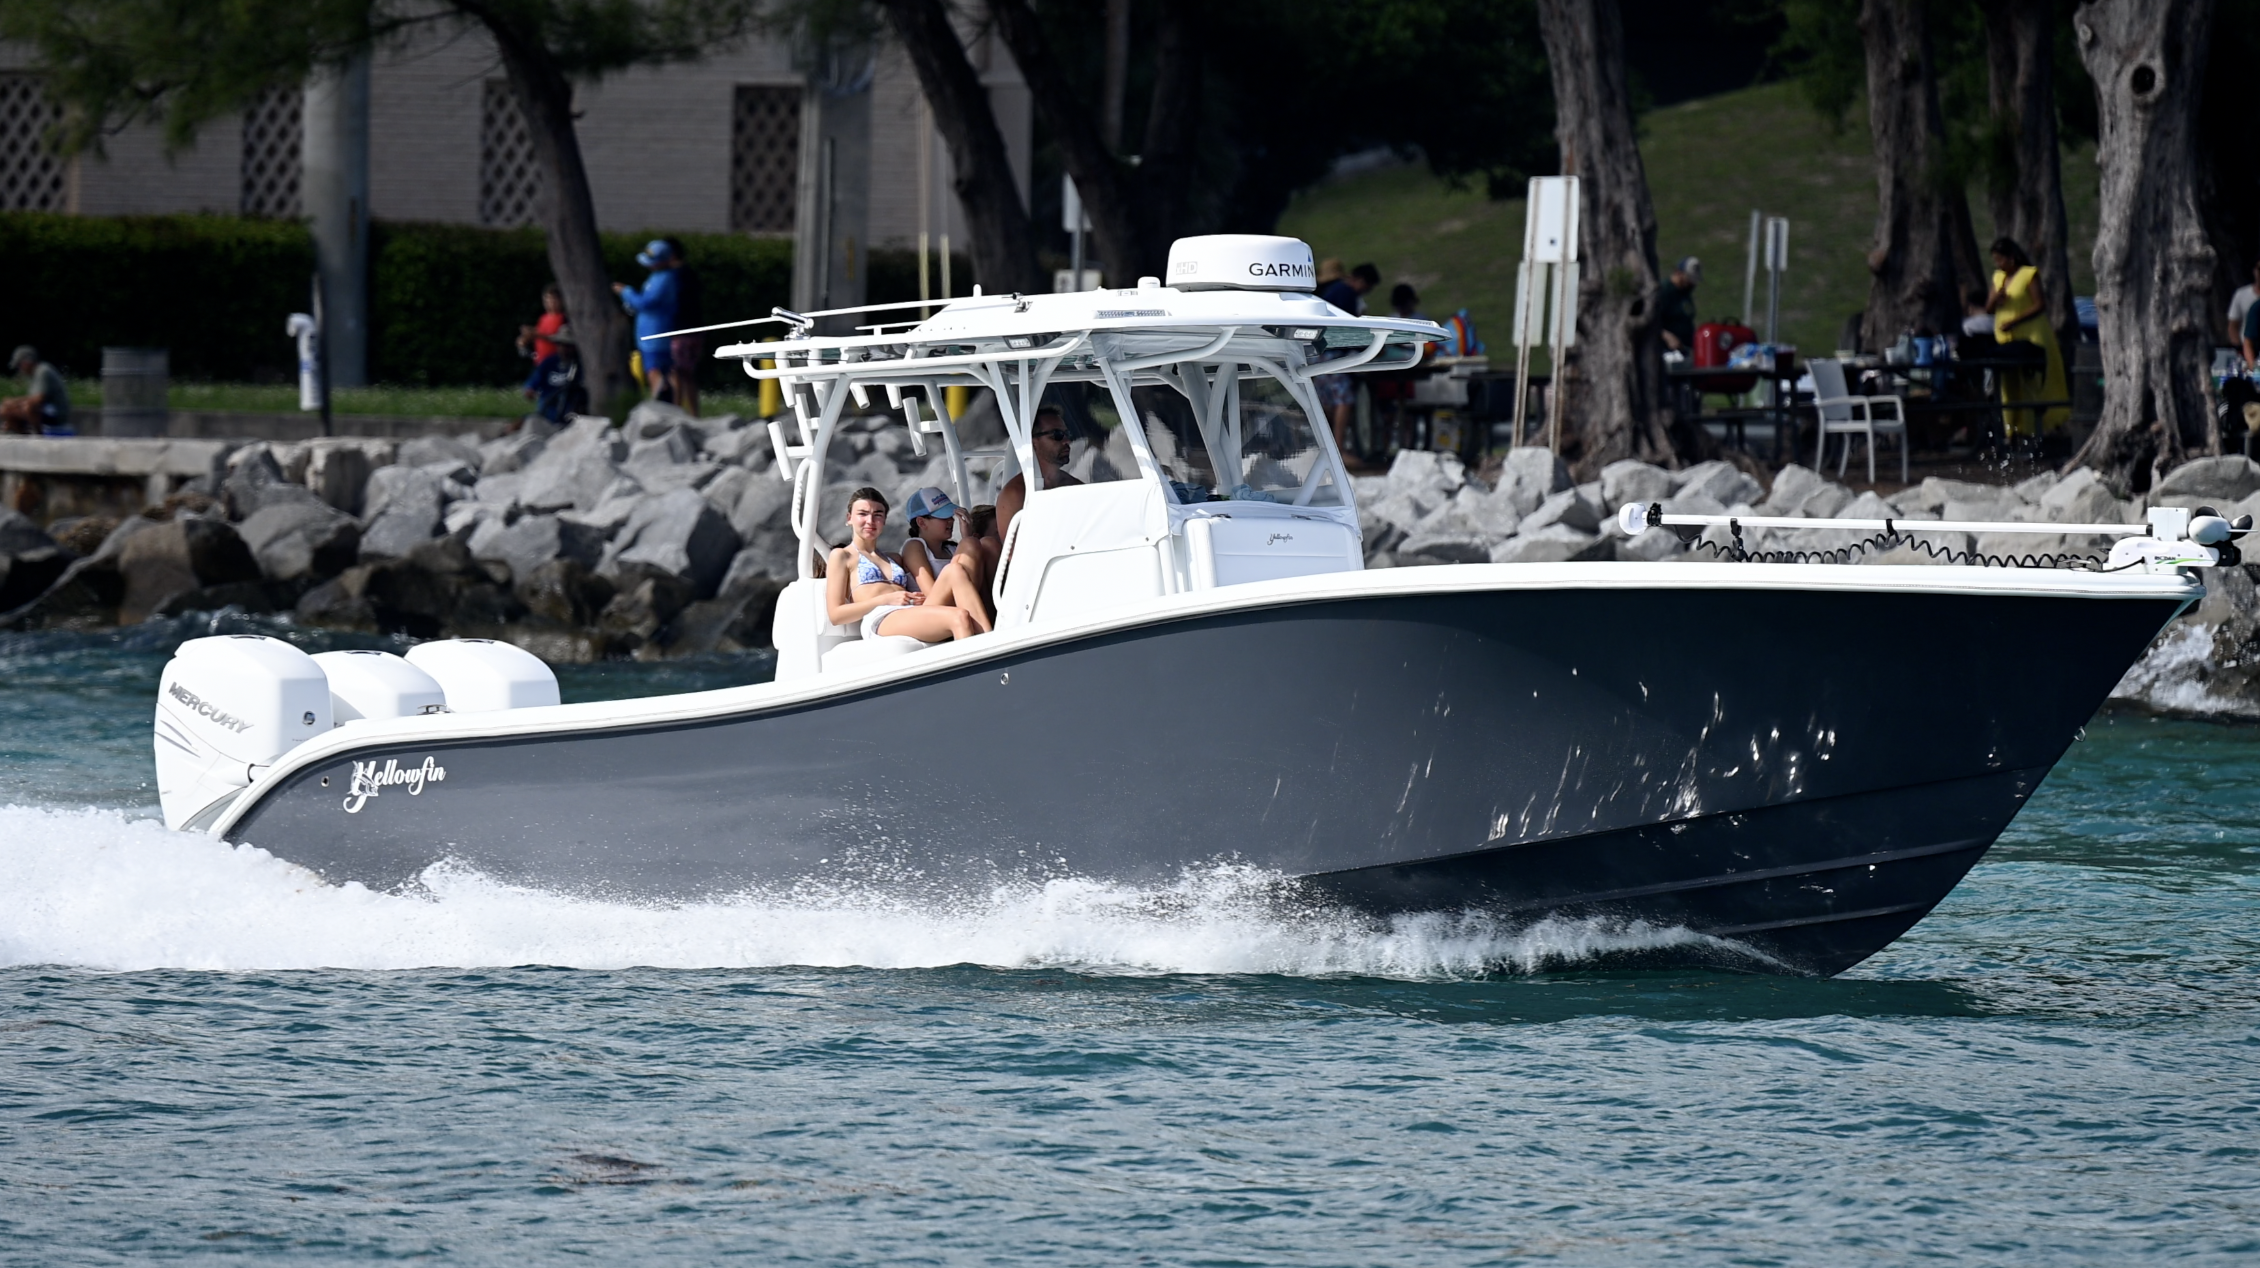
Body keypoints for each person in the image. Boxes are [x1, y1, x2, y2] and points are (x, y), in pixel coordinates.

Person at [823, 487, 990, 644]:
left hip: (911, 611)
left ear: (884, 520)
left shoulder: (894, 558)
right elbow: (836, 615)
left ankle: (990, 641)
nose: (870, 520)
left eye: (878, 514)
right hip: (881, 617)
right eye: (863, 514)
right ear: (849, 518)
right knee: (959, 617)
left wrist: (966, 538)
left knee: (954, 570)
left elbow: (933, 570)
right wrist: (885, 599)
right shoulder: (842, 556)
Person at [1985, 237, 2069, 437]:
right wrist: (1996, 299)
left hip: (2030, 334)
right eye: (1995, 260)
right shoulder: (1998, 278)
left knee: (2030, 383)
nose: (1998, 264)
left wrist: (2016, 320)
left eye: (2001, 260)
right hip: (2006, 338)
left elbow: (2039, 304)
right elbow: (1988, 308)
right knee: (2008, 385)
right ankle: (2011, 431)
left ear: (2011, 258)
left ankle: (2031, 429)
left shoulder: (2028, 274)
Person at [992, 404, 1083, 546]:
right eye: (1057, 435)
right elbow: (1014, 553)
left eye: (1067, 434)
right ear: (1033, 443)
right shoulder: (1015, 494)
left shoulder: (1075, 487)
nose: (1067, 441)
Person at [1314, 260, 1376, 458]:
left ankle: (1326, 446)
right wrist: (1370, 346)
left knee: (1326, 401)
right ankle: (1338, 449)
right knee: (1344, 400)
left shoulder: (1332, 292)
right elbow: (1350, 328)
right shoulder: (1346, 293)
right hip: (1332, 353)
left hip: (1320, 351)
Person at [900, 484, 990, 615]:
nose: (951, 521)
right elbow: (931, 593)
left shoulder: (952, 549)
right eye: (943, 517)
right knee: (970, 544)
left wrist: (967, 536)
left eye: (950, 516)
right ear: (921, 522)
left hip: (957, 607)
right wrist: (968, 541)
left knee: (987, 544)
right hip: (933, 613)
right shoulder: (914, 546)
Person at [613, 239, 681, 403]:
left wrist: (626, 292)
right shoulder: (658, 277)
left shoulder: (663, 279)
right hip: (652, 333)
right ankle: (667, 401)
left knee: (654, 370)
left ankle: (660, 402)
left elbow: (645, 303)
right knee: (661, 370)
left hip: (655, 334)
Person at [665, 237, 703, 416]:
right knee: (687, 373)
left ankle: (678, 410)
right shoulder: (690, 273)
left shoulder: (673, 276)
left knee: (677, 373)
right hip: (695, 329)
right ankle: (693, 412)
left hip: (680, 330)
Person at [1, 346, 70, 435]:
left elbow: (38, 399)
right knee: (7, 410)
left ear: (27, 362)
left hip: (56, 412)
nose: (20, 370)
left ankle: (39, 435)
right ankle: (23, 434)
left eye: (19, 365)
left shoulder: (43, 371)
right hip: (45, 409)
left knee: (29, 407)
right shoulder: (33, 375)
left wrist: (14, 402)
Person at [1657, 257, 1700, 352]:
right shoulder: (1664, 291)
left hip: (1686, 347)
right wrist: (1667, 336)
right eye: (1688, 278)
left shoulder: (1685, 292)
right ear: (1678, 273)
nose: (1692, 283)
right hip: (1668, 350)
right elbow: (1652, 322)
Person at [2228, 260, 2260, 346]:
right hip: (2247, 346)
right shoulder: (2241, 294)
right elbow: (2233, 325)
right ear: (2254, 271)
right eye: (2259, 269)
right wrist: (2238, 347)